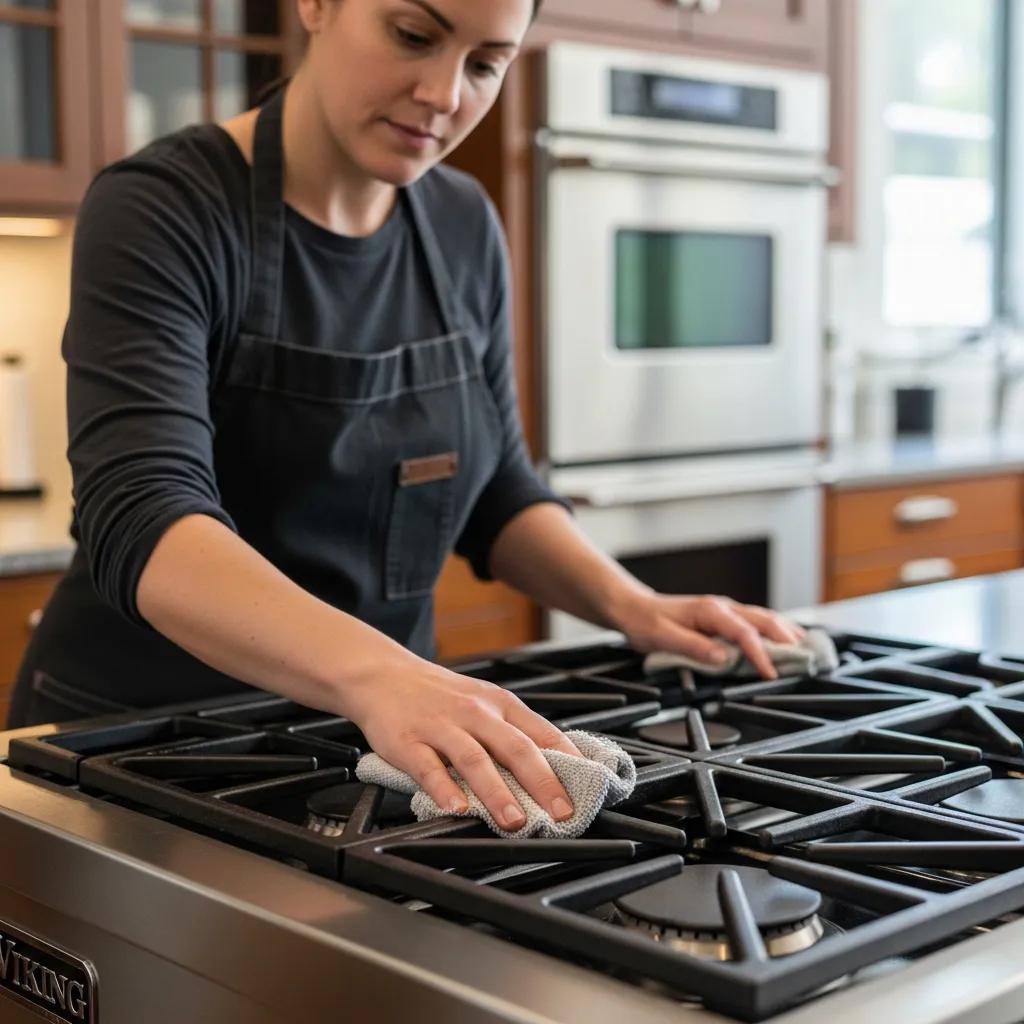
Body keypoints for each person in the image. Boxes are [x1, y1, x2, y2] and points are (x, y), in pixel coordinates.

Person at [9, 0, 802, 832]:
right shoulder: (165, 207)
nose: (444, 93)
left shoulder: (463, 222)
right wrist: (380, 674)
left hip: (366, 756)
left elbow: (496, 486)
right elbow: (144, 516)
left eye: (486, 63)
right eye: (413, 35)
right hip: (135, 755)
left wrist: (636, 606)